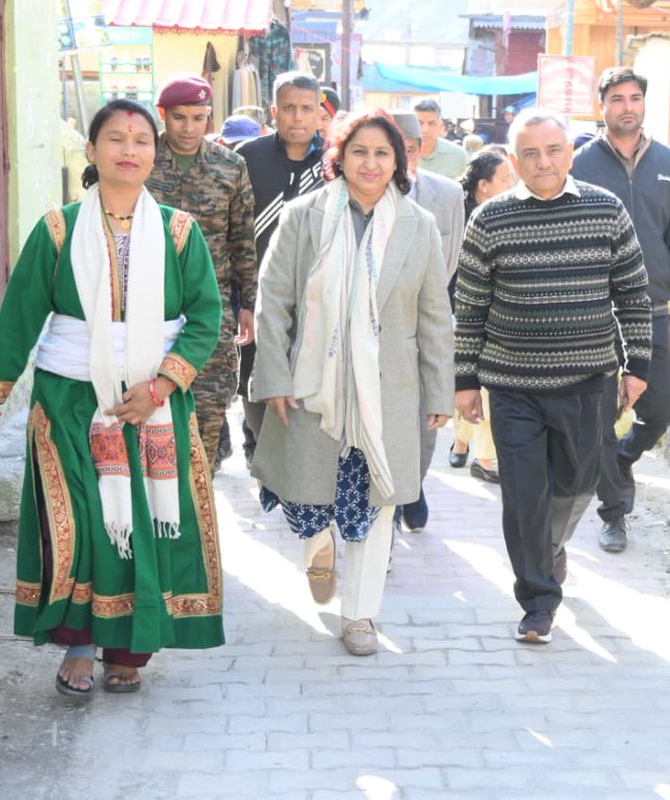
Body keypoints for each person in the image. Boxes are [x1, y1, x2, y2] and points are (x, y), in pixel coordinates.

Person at [0, 99, 224, 697]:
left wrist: (159, 386)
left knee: (143, 527)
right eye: (115, 138)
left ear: (155, 154)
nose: (130, 149)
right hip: (70, 399)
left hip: (153, 406)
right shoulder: (57, 229)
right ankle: (78, 643)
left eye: (141, 140)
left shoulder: (181, 232)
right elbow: (20, 319)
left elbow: (206, 317)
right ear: (92, 150)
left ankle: (127, 650)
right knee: (80, 522)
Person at [250, 109, 454, 656]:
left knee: (375, 504)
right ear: (340, 156)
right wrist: (273, 376)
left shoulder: (419, 226)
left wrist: (439, 390)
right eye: (359, 151)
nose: (370, 162)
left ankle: (361, 615)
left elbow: (435, 315)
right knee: (307, 496)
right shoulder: (304, 216)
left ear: (399, 161)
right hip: (311, 385)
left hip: (387, 391)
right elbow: (274, 304)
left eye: (382, 153)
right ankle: (318, 547)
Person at [454, 110, 652, 644]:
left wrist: (638, 365)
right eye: (531, 154)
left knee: (578, 481)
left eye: (554, 150)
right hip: (513, 384)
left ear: (569, 151)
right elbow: (470, 308)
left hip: (588, 380)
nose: (544, 162)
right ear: (514, 161)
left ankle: (551, 547)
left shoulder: (605, 209)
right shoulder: (490, 220)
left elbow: (633, 294)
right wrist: (466, 381)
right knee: (522, 494)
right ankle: (538, 599)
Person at [572, 67, 670, 554]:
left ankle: (623, 459)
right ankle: (613, 512)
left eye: (634, 98)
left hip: (650, 309)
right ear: (601, 106)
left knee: (660, 407)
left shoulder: (667, 163)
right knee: (601, 417)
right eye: (616, 98)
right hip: (594, 312)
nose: (627, 106)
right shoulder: (580, 163)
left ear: (643, 105)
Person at [147, 74, 258, 474]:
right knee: (146, 408)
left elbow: (242, 238)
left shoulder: (230, 166)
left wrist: (248, 303)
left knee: (208, 411)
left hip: (209, 308)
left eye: (199, 117)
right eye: (179, 117)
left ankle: (199, 501)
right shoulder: (141, 160)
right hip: (145, 306)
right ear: (163, 115)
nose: (189, 127)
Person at [236, 71, 326, 465]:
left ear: (320, 113)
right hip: (258, 298)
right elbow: (234, 233)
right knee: (254, 379)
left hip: (317, 297)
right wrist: (242, 300)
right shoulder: (247, 157)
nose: (298, 117)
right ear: (274, 111)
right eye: (289, 108)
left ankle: (301, 461)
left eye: (307, 109)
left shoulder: (334, 161)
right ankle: (263, 447)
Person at [387, 111, 466, 532]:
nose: (400, 159)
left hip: (429, 324)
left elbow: (452, 267)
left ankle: (413, 487)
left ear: (419, 151)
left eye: (408, 149)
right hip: (378, 330)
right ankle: (392, 501)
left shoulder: (449, 195)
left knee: (425, 421)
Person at [449, 148, 517, 484]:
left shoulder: (511, 213)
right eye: (506, 178)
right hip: (460, 311)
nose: (513, 184)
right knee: (469, 381)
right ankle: (480, 453)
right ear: (484, 185)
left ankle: (472, 447)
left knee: (482, 384)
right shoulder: (456, 214)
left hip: (496, 313)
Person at [413, 98, 468, 179]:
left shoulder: (458, 155)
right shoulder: (399, 154)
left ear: (440, 125)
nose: (425, 130)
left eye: (431, 123)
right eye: (419, 123)